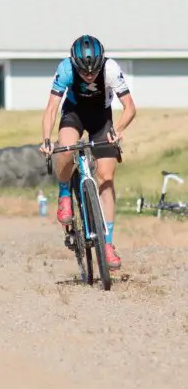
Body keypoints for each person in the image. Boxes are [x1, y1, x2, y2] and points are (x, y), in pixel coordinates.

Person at [40, 35, 136, 270]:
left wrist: (119, 130)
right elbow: (52, 109)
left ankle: (108, 243)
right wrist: (46, 140)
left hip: (101, 118)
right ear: (75, 65)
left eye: (94, 72)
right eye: (84, 72)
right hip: (74, 114)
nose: (90, 76)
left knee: (107, 177)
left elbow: (130, 108)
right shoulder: (65, 69)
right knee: (65, 149)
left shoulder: (111, 68)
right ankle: (64, 194)